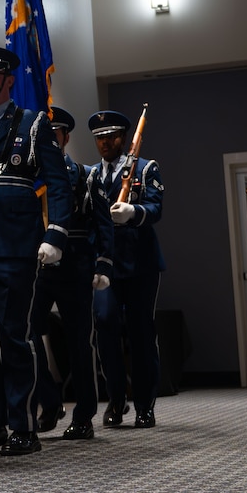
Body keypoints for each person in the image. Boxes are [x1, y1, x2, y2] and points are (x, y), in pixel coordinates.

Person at [0, 46, 72, 457]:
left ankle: (22, 424)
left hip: (18, 247)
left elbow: (58, 183)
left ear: (8, 80)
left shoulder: (33, 123)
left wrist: (55, 234)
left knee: (14, 336)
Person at [32, 106, 115, 440]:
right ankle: (49, 402)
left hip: (74, 265)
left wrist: (103, 263)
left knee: (80, 342)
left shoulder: (83, 175)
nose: (50, 140)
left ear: (65, 138)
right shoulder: (29, 175)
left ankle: (83, 414)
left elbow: (102, 222)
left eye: (56, 134)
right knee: (25, 335)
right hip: (35, 267)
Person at [88, 110, 165, 429]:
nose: (105, 143)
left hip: (140, 263)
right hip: (105, 264)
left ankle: (145, 404)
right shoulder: (91, 174)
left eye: (112, 136)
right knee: (104, 327)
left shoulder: (146, 168)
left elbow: (157, 208)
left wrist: (133, 211)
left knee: (141, 333)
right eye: (100, 138)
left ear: (124, 137)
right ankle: (116, 399)